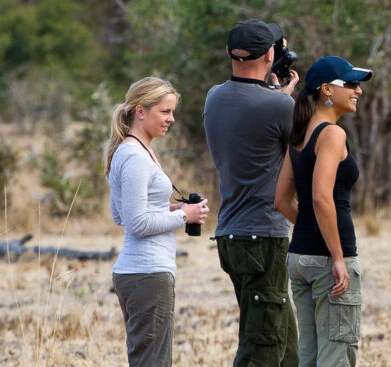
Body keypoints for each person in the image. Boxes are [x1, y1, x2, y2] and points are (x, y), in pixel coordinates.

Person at [203, 19, 301, 366]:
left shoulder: (215, 97)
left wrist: (277, 95)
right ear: (271, 55)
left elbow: (252, 120)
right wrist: (284, 96)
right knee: (261, 347)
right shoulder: (278, 106)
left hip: (231, 234)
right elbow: (303, 146)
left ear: (230, 53)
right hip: (264, 236)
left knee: (286, 346)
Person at [273, 56, 372, 367]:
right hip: (329, 263)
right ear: (327, 90)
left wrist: (309, 229)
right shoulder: (331, 134)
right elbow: (320, 198)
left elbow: (281, 201)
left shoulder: (299, 137)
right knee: (336, 356)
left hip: (299, 257)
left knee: (310, 357)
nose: (358, 91)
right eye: (351, 84)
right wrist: (338, 257)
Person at [105, 77, 210, 366]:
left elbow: (121, 214)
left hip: (139, 272)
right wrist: (182, 216)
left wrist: (168, 207)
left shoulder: (130, 151)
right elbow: (135, 223)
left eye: (172, 112)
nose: (171, 119)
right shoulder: (136, 156)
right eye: (165, 112)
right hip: (147, 272)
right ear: (140, 111)